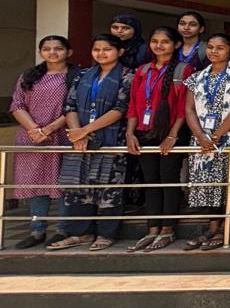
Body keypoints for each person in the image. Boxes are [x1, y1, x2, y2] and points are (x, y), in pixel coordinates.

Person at [56, 34, 133, 250]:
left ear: (120, 52)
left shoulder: (128, 75)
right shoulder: (83, 75)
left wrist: (86, 130)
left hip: (111, 139)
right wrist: (77, 133)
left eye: (107, 49)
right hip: (81, 139)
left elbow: (120, 109)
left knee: (109, 187)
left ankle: (106, 234)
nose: (101, 53)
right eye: (96, 49)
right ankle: (81, 233)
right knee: (78, 186)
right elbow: (70, 105)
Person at [181, 32, 230, 250]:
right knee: (209, 185)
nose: (214, 51)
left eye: (220, 48)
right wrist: (201, 136)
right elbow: (189, 109)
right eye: (210, 47)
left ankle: (225, 230)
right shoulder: (196, 77)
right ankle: (212, 229)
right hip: (202, 139)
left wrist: (217, 135)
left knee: (227, 183)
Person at [125, 26, 191, 251]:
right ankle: (152, 228)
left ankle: (167, 229)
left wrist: (172, 135)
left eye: (165, 41)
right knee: (150, 181)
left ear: (176, 44)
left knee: (168, 180)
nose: (159, 45)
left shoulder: (184, 70)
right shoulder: (142, 70)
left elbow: (184, 108)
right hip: (144, 132)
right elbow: (133, 105)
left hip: (172, 133)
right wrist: (130, 133)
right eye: (155, 41)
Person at [10, 35, 73, 248]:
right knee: (35, 183)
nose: (52, 52)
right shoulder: (29, 75)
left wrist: (49, 129)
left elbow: (75, 106)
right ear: (40, 52)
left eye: (58, 48)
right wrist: (34, 129)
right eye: (47, 49)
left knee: (64, 184)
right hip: (31, 137)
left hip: (62, 135)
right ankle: (37, 230)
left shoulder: (76, 76)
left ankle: (63, 229)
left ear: (69, 52)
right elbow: (17, 105)